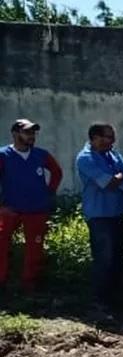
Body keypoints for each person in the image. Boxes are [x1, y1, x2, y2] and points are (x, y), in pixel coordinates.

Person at [76, 122, 123, 311]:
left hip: (117, 213)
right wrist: (118, 178)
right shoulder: (85, 158)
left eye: (112, 137)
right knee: (104, 258)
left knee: (119, 257)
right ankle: (99, 301)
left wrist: (117, 179)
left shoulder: (114, 155)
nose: (111, 141)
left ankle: (115, 297)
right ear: (94, 138)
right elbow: (108, 183)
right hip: (99, 216)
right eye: (107, 137)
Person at [0, 119, 63, 292]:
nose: (31, 136)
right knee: (1, 243)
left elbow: (57, 172)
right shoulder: (3, 155)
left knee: (35, 247)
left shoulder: (41, 155)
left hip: (36, 209)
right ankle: (2, 281)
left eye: (33, 133)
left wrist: (49, 192)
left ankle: (29, 283)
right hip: (10, 208)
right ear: (15, 134)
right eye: (27, 132)